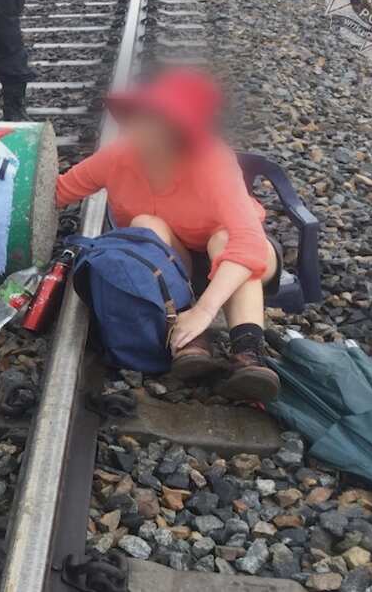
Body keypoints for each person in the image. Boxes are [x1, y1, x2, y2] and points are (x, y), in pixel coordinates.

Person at [55, 69, 283, 402]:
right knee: (147, 223)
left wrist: (205, 311)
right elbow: (57, 192)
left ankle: (248, 353)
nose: (140, 127)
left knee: (225, 240)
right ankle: (189, 340)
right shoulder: (118, 157)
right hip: (176, 264)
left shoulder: (212, 160)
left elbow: (247, 243)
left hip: (243, 258)